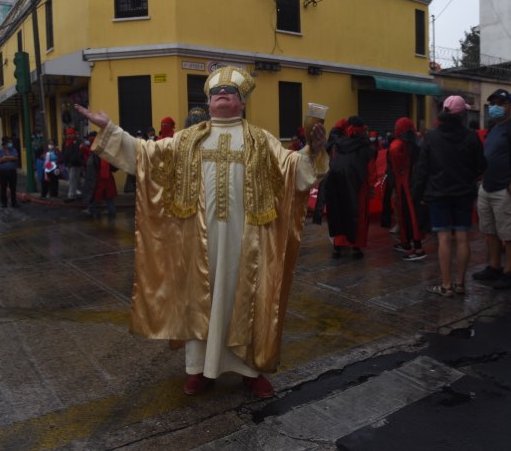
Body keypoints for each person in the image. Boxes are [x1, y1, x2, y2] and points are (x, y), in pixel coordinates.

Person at [75, 65, 327, 398]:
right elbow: (145, 155)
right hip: (198, 239)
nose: (223, 95)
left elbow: (293, 171)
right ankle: (201, 370)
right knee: (200, 299)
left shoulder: (261, 140)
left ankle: (250, 371)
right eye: (216, 93)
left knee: (246, 299)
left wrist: (314, 149)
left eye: (231, 92)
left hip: (246, 240)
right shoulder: (188, 140)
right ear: (208, 102)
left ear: (242, 102)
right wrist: (110, 130)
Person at [413, 96, 486, 297]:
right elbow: (481, 166)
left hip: (438, 193)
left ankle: (446, 286)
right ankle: (460, 284)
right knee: (462, 238)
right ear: (462, 114)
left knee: (444, 239)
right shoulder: (471, 137)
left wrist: (417, 194)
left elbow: (422, 169)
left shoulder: (431, 136)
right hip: (464, 194)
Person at [472, 88, 511, 289]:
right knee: (490, 231)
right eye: (493, 103)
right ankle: (495, 267)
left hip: (504, 191)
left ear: (510, 106)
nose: (496, 107)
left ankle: (509, 271)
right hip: (486, 188)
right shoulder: (493, 128)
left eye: (500, 103)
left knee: (508, 234)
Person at [324, 116, 379, 259]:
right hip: (359, 188)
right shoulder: (367, 147)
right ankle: (356, 248)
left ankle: (337, 246)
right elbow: (371, 170)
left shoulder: (338, 143)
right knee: (359, 216)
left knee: (339, 213)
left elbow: (334, 132)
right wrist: (372, 187)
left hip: (338, 185)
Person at [389, 117, 426, 261]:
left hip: (403, 184)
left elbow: (395, 166)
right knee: (411, 215)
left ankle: (416, 247)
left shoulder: (397, 145)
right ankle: (411, 244)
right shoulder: (418, 142)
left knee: (408, 215)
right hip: (414, 184)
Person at [81, 134, 117, 221]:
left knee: (96, 195)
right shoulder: (105, 151)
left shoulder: (96, 152)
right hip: (106, 177)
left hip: (99, 178)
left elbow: (94, 164)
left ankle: (92, 210)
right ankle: (111, 211)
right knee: (108, 196)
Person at [0, 136, 20, 208]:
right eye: (9, 142)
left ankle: (14, 202)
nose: (11, 143)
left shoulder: (13, 150)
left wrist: (6, 158)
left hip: (12, 171)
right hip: (3, 172)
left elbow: (16, 158)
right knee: (3, 188)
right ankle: (4, 202)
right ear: (5, 143)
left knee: (13, 188)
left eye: (11, 142)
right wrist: (10, 158)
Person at [62, 127, 84, 201]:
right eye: (68, 134)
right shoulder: (65, 142)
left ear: (74, 134)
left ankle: (71, 195)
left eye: (70, 134)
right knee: (76, 179)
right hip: (69, 164)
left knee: (73, 179)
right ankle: (80, 193)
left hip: (75, 163)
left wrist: (75, 161)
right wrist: (65, 162)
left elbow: (78, 153)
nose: (69, 136)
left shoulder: (78, 142)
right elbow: (64, 152)